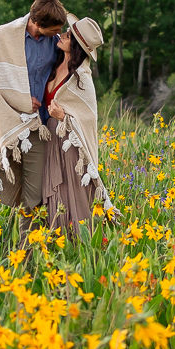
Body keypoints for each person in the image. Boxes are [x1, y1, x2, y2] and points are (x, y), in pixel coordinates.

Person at [0, 0, 68, 225]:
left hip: (37, 125)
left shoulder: (54, 42)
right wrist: (21, 99)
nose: (59, 31)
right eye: (55, 28)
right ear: (38, 24)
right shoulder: (3, 37)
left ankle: (25, 252)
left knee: (34, 194)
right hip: (3, 120)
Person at [40, 14, 114, 234]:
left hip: (69, 145)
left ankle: (83, 242)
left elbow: (88, 119)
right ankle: (56, 237)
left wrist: (64, 116)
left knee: (73, 192)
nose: (62, 34)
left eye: (69, 35)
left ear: (77, 46)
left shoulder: (82, 78)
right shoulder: (53, 64)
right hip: (50, 141)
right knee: (53, 192)